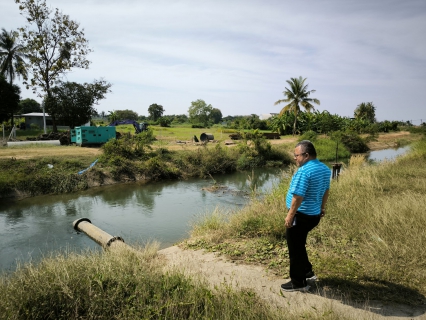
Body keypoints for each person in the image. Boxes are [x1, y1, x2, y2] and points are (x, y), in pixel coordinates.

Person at [281, 140, 331, 292]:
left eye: (296, 155)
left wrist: (290, 216)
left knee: (295, 249)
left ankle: (299, 283)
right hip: (313, 215)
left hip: (301, 216)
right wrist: (322, 207)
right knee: (299, 243)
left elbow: (298, 197)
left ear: (306, 155)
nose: (295, 158)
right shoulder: (324, 168)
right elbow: (326, 190)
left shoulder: (304, 171)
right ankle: (308, 272)